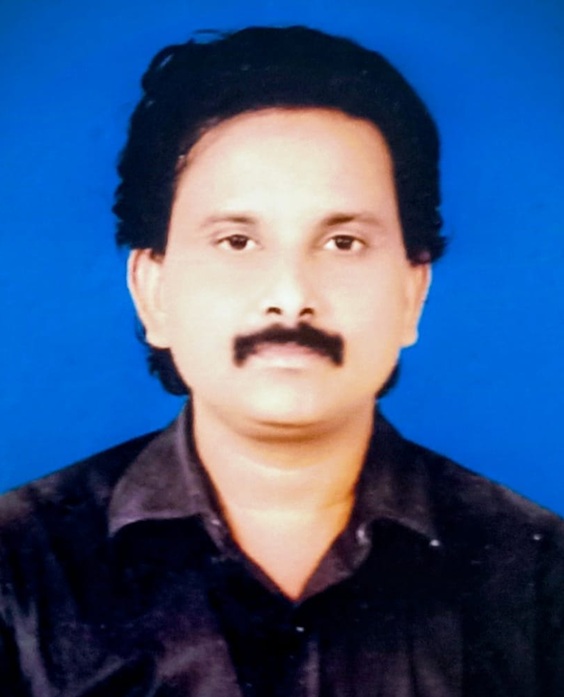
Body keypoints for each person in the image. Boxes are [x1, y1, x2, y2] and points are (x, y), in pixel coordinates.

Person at [0, 25, 562, 697]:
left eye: (344, 242)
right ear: (153, 290)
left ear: (413, 292)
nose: (291, 297)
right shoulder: (18, 566)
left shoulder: (540, 577)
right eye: (237, 241)